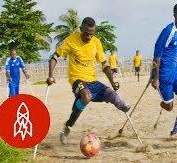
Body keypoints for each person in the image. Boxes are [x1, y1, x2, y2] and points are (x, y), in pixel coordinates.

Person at [46, 17, 131, 145]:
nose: (89, 37)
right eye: (86, 33)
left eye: (92, 34)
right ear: (81, 29)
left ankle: (121, 107)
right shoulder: (71, 40)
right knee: (86, 96)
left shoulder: (96, 42)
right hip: (77, 79)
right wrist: (50, 75)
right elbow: (54, 57)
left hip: (93, 81)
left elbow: (104, 64)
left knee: (113, 96)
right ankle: (68, 126)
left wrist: (112, 81)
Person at [151, 2, 177, 137]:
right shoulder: (168, 31)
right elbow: (157, 54)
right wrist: (155, 78)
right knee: (169, 107)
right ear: (174, 15)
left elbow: (176, 53)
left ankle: (176, 130)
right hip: (164, 74)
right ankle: (164, 103)